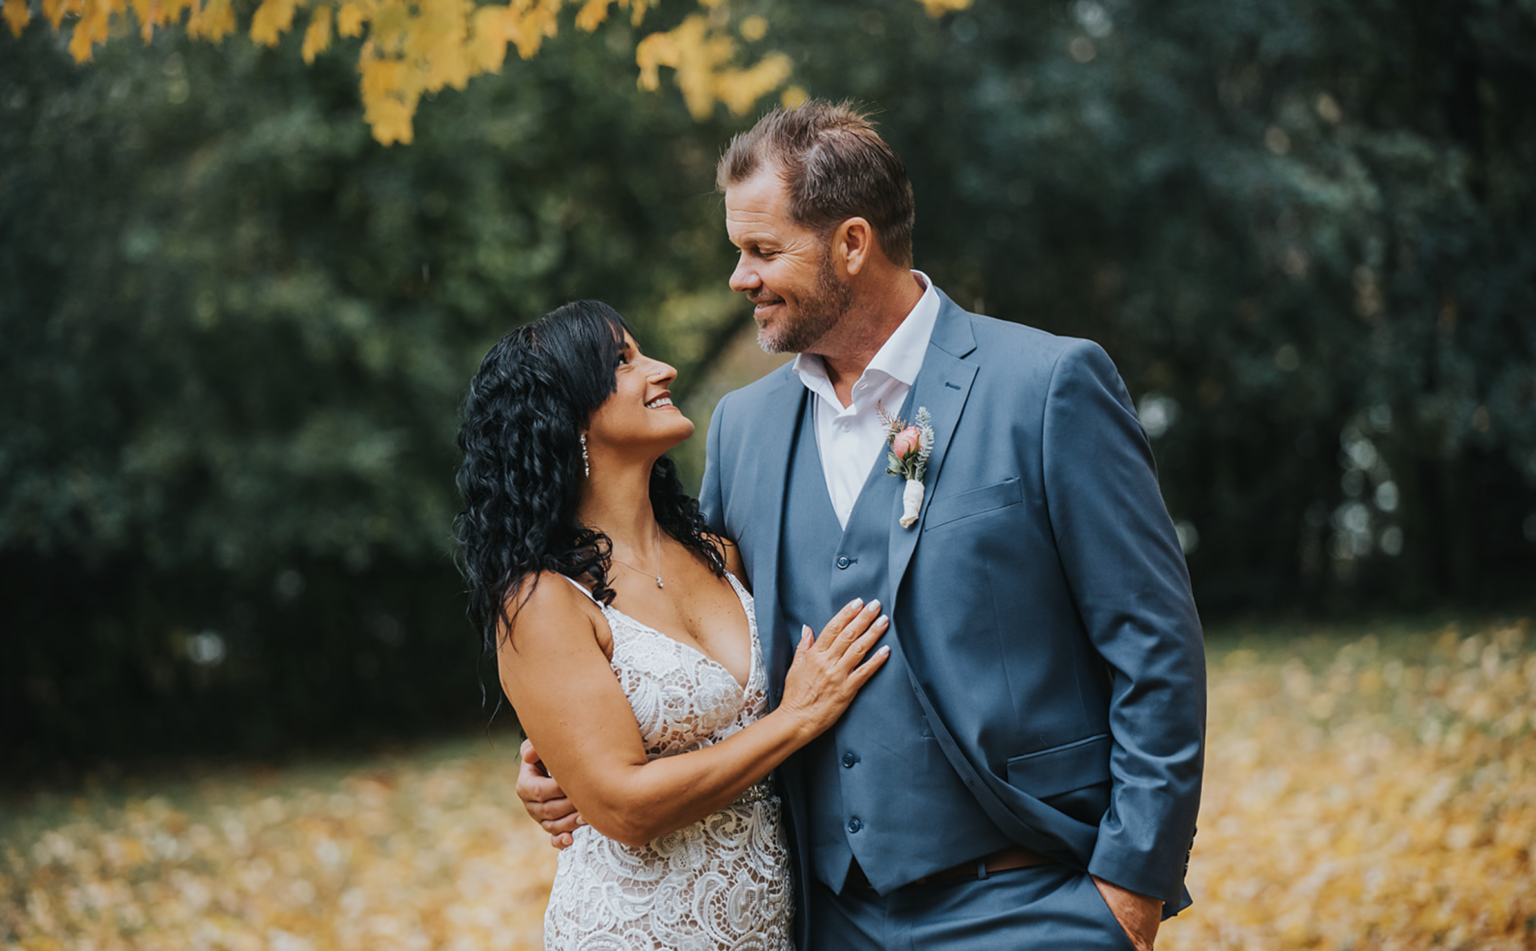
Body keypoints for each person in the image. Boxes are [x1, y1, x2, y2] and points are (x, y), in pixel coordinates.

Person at [518, 102, 1206, 951]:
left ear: (851, 244)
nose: (740, 277)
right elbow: (701, 632)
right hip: (824, 916)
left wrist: (1130, 885)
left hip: (1029, 899)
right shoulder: (742, 427)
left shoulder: (1047, 385)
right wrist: (565, 748)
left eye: (763, 251)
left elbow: (1155, 644)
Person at [454, 300, 894, 950]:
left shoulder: (719, 553)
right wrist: (794, 718)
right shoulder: (543, 600)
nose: (664, 369)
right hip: (634, 929)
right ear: (569, 416)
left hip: (771, 925)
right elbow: (624, 807)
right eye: (625, 361)